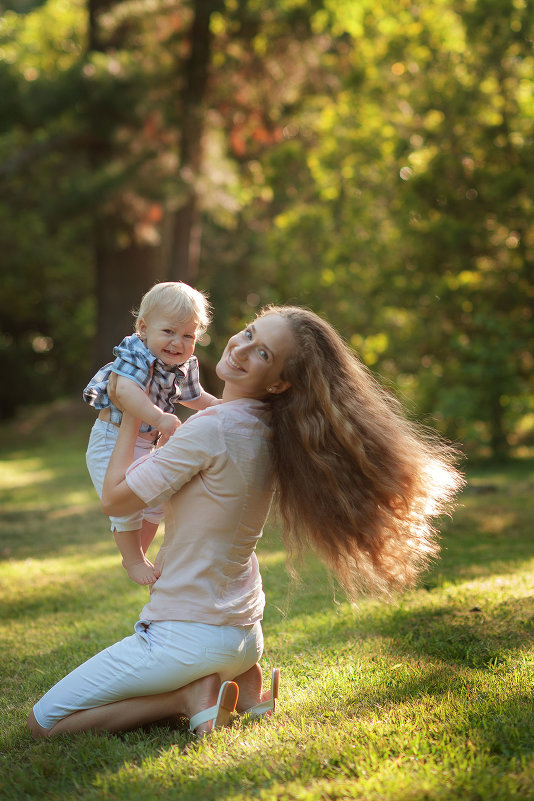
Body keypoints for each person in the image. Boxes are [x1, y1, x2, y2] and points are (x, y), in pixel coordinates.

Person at [28, 305, 463, 739]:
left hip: (185, 638)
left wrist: (128, 415)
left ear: (278, 382)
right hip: (243, 636)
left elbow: (114, 500)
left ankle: (187, 697)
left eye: (262, 354)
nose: (241, 347)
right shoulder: (274, 431)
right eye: (250, 333)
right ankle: (239, 681)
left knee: (44, 723)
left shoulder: (210, 429)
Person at [83, 281, 220, 586]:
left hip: (146, 442)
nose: (178, 343)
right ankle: (133, 560)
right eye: (169, 332)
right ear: (144, 328)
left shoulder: (183, 364)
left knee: (157, 501)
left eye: (188, 335)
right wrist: (159, 417)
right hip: (111, 437)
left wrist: (221, 407)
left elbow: (194, 396)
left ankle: (137, 552)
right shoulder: (136, 352)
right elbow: (127, 391)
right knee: (126, 505)